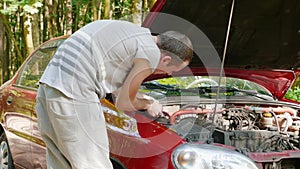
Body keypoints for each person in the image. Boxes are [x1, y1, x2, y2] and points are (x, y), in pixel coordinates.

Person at [35, 20, 193, 169]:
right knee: (94, 163)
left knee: (61, 163)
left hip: (49, 86)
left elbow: (119, 89)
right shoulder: (150, 53)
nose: (168, 74)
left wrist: (145, 99)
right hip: (74, 93)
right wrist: (149, 105)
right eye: (171, 70)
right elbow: (124, 102)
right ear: (166, 59)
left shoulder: (133, 36)